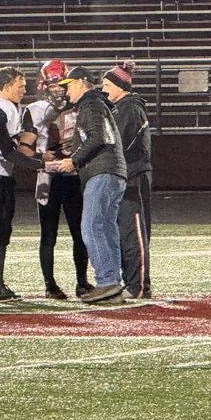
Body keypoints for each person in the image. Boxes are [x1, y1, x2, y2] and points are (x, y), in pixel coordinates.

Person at [53, 67, 126, 304]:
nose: (66, 91)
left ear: (83, 84)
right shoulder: (97, 104)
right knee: (105, 228)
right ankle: (112, 283)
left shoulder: (91, 105)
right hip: (112, 172)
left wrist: (73, 161)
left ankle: (106, 281)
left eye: (69, 85)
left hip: (102, 172)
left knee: (91, 227)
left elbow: (98, 138)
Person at [0, 67, 45, 302]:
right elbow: (8, 152)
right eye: (20, 86)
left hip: (1, 175)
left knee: (3, 231)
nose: (25, 90)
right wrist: (41, 164)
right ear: (6, 85)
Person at [23, 59, 91, 300]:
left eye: (59, 84)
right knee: (48, 234)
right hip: (47, 176)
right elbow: (25, 149)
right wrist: (42, 155)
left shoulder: (80, 105)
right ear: (43, 85)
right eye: (52, 84)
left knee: (80, 232)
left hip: (73, 174)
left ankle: (82, 282)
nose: (56, 89)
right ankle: (50, 285)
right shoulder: (34, 110)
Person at [102, 61, 153, 300]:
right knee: (125, 233)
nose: (103, 89)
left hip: (132, 177)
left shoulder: (128, 109)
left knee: (133, 233)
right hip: (125, 176)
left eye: (107, 84)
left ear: (119, 85)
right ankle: (132, 282)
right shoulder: (120, 108)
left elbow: (117, 143)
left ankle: (139, 285)